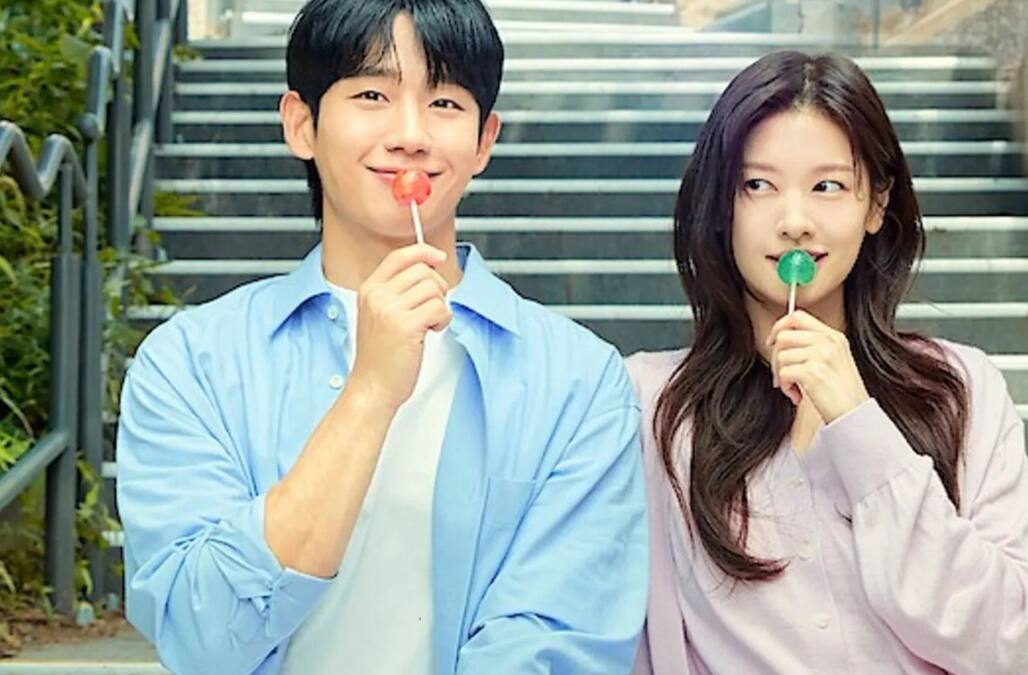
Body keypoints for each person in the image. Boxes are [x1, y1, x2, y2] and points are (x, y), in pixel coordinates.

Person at [116, 1, 648, 673]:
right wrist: (369, 393)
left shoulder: (577, 380)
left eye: (445, 103)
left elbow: (558, 637)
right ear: (302, 124)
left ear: (484, 141)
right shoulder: (191, 362)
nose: (410, 135)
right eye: (372, 95)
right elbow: (202, 634)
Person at [627, 51, 1028, 675]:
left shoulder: (960, 389)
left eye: (828, 186)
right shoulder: (649, 404)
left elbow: (1009, 631)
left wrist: (861, 429)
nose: (795, 222)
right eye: (758, 186)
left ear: (877, 204)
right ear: (720, 207)